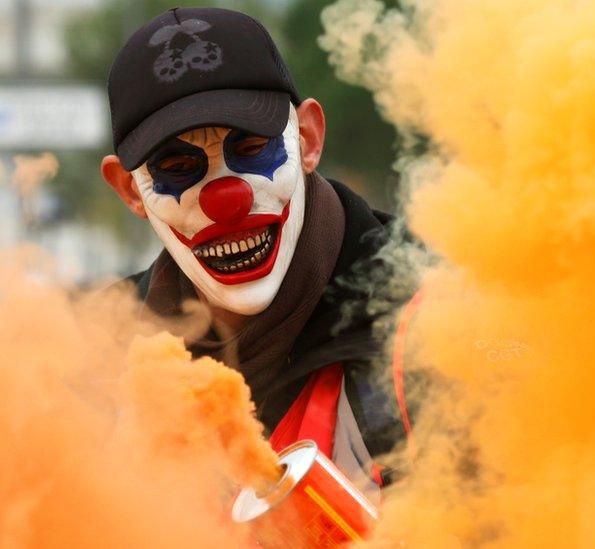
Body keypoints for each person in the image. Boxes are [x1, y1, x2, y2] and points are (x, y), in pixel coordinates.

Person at [100, 6, 417, 499]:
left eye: (250, 149)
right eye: (179, 166)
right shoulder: (99, 356)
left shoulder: (437, 325)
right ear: (131, 191)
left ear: (308, 139)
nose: (227, 201)